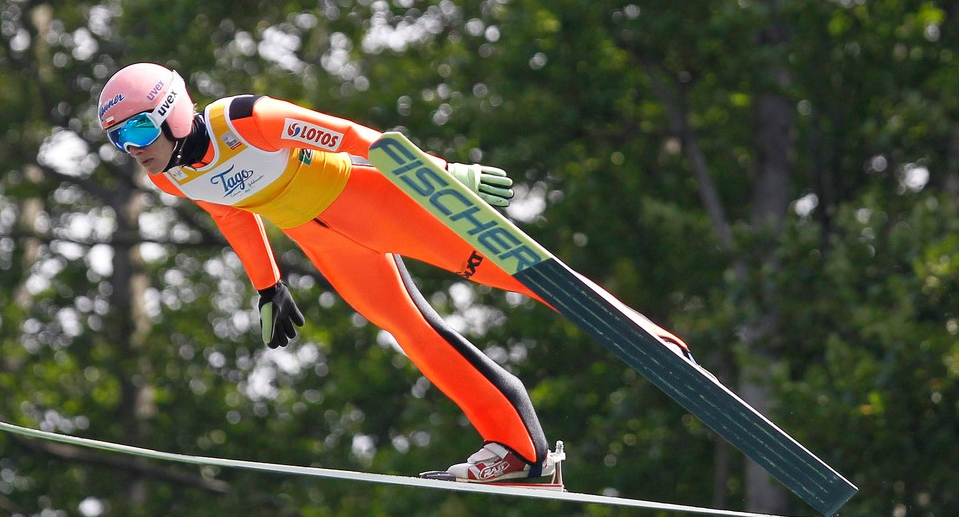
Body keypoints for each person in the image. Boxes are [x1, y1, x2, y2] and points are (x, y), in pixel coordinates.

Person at [96, 62, 689, 483]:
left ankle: (652, 340)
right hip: (325, 241)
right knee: (410, 330)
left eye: (141, 129)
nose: (134, 147)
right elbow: (232, 216)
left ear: (174, 114)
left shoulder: (247, 120)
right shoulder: (169, 175)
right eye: (120, 139)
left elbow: (356, 138)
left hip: (368, 202)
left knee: (519, 272)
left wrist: (443, 173)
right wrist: (268, 284)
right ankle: (519, 451)